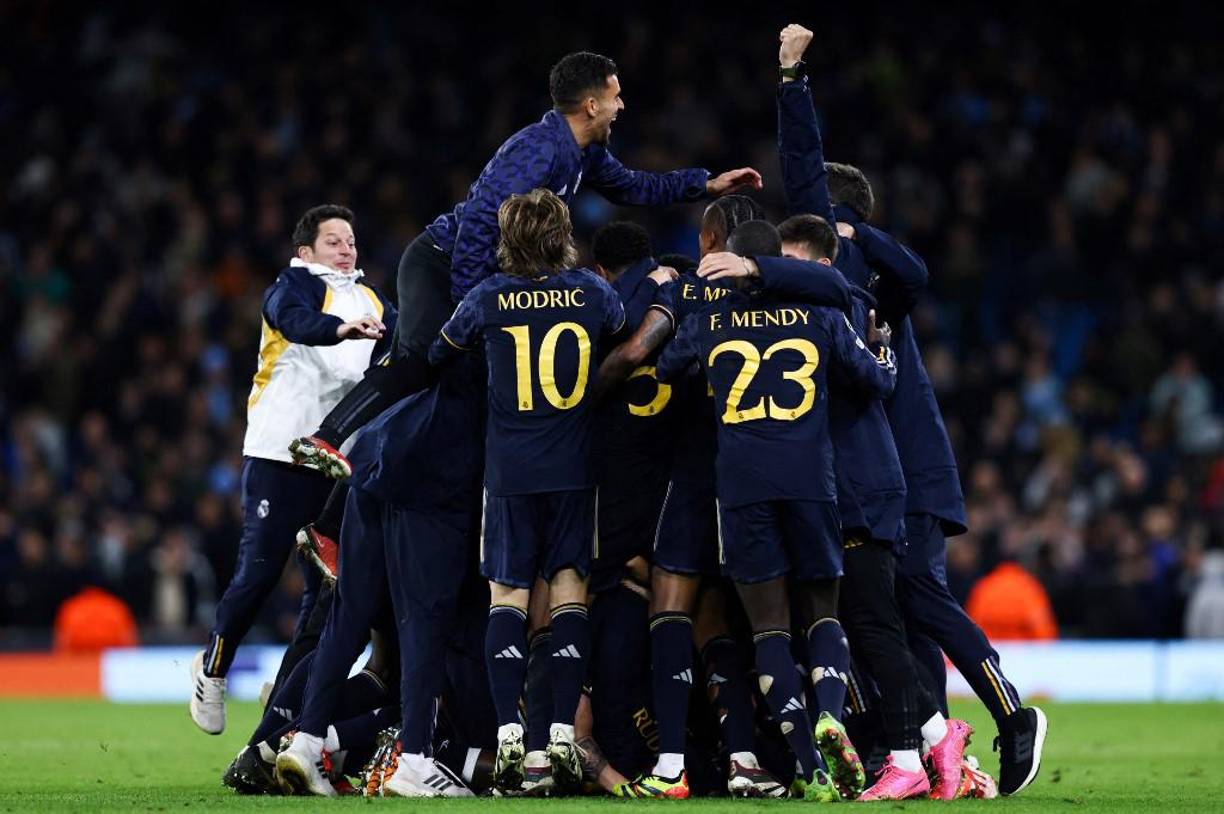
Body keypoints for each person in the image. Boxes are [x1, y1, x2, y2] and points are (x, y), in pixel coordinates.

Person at [772, 25, 1046, 796]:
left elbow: (807, 177)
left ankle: (1009, 717)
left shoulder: (862, 278)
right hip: (886, 473)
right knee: (896, 616)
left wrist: (791, 79)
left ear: (838, 223)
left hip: (902, 477)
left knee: (916, 603)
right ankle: (937, 753)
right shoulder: (861, 294)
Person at [288, 52, 762, 478]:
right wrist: (470, 305)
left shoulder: (584, 152)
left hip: (465, 269)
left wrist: (705, 185)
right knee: (421, 364)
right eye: (615, 96)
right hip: (442, 263)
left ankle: (334, 511)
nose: (622, 106)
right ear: (591, 105)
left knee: (441, 384)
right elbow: (480, 222)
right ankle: (326, 441)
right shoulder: (538, 149)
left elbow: (634, 186)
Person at [655, 219, 896, 802]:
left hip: (741, 487)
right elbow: (876, 380)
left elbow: (665, 368)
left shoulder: (710, 320)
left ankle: (809, 765)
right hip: (811, 482)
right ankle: (831, 714)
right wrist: (883, 349)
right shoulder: (822, 316)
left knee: (769, 629)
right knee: (823, 615)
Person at [428, 188, 628, 793]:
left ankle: (512, 734)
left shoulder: (487, 297)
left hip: (510, 474)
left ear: (506, 240)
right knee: (569, 594)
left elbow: (439, 351)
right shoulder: (593, 293)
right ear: (562, 236)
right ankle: (562, 732)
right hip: (573, 469)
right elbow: (620, 332)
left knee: (507, 598)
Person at [190, 205, 396, 736]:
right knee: (259, 571)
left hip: (338, 462)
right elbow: (294, 321)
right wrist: (342, 329)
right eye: (334, 241)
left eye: (350, 241)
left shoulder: (374, 300)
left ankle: (283, 700)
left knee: (323, 591)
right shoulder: (294, 285)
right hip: (280, 450)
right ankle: (212, 668)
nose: (346, 249)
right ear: (306, 251)